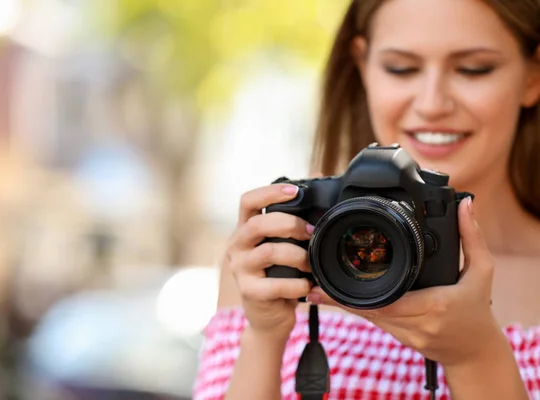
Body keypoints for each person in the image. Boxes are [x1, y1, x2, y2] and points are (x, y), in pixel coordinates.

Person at [193, 0, 540, 398]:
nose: (431, 103)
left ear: (533, 76)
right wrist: (264, 337)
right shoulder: (285, 256)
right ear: (363, 66)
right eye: (401, 68)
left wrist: (476, 355)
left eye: (473, 69)